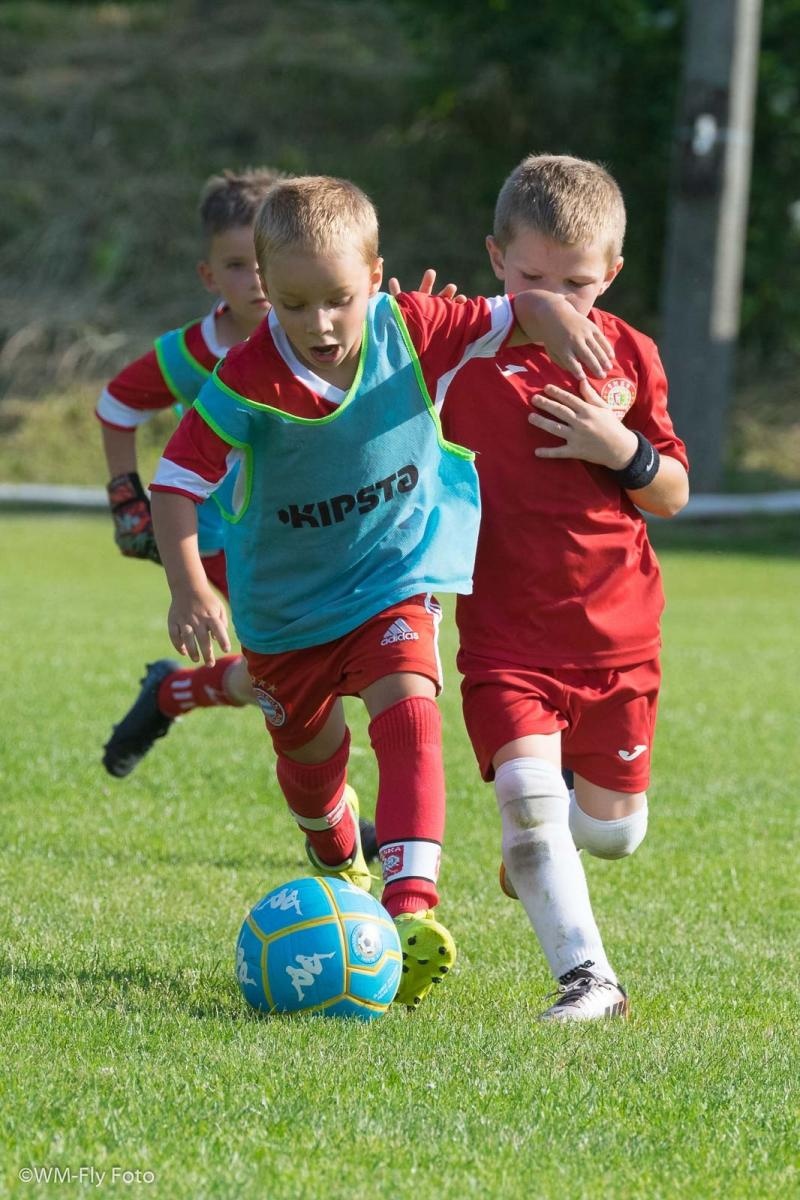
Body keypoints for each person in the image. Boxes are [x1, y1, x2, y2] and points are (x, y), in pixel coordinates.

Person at [149, 174, 613, 1010]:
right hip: (285, 615)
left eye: (340, 299)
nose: (321, 324)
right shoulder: (246, 379)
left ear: (375, 276)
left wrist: (553, 315)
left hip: (393, 578)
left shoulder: (411, 326)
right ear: (264, 289)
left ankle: (409, 911)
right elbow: (177, 482)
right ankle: (338, 854)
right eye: (295, 304)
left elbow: (515, 309)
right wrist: (188, 586)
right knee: (310, 773)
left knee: (410, 711)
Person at [440, 153, 689, 1020]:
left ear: (611, 272)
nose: (553, 300)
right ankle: (591, 982)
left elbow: (672, 493)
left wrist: (620, 448)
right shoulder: (461, 349)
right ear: (495, 259)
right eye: (531, 279)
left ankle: (544, 849)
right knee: (527, 801)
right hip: (506, 637)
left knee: (614, 832)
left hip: (620, 634)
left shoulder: (630, 354)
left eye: (575, 284)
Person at [98, 168, 280, 778]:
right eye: (236, 265)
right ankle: (341, 822)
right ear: (209, 275)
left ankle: (171, 693)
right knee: (294, 671)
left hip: (304, 531)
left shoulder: (321, 337)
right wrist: (126, 496)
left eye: (266, 260)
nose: (256, 279)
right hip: (221, 540)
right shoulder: (186, 356)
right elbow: (116, 405)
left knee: (291, 671)